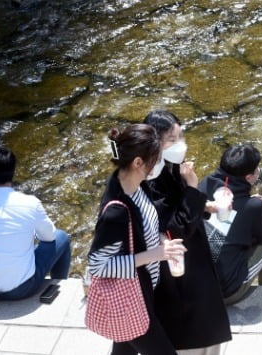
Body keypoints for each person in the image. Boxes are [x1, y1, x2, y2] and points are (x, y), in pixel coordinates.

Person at [88, 124, 186, 355]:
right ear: (138, 163)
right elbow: (98, 265)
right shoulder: (117, 211)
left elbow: (145, 226)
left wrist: (161, 241)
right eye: (155, 160)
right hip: (131, 298)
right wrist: (155, 255)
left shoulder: (133, 185)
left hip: (140, 291)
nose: (158, 165)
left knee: (124, 349)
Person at [143, 110, 231, 353]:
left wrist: (206, 206)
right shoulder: (148, 180)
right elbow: (173, 229)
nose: (180, 144)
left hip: (194, 262)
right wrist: (193, 188)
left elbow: (179, 206)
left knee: (209, 329)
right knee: (192, 334)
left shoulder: (168, 167)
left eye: (180, 137)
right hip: (177, 271)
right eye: (172, 139)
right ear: (154, 142)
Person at [199, 144, 262, 305]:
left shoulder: (204, 184)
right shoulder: (253, 206)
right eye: (257, 170)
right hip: (227, 291)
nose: (259, 172)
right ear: (249, 177)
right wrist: (258, 208)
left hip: (198, 287)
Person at [0, 145, 71, 300]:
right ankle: (58, 284)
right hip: (20, 289)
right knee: (61, 236)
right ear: (13, 171)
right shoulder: (28, 202)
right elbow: (49, 237)